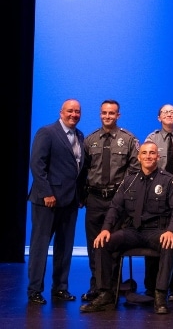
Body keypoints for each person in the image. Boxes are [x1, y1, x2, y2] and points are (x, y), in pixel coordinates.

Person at [80, 142, 173, 315]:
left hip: (156, 231)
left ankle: (160, 296)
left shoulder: (169, 180)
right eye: (144, 153)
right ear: (139, 157)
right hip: (132, 231)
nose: (148, 156)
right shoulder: (129, 180)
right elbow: (115, 207)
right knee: (102, 243)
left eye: (152, 153)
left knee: (169, 244)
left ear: (158, 157)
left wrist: (170, 230)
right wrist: (106, 229)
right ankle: (105, 294)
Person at [27, 99, 85, 305]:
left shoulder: (79, 136)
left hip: (70, 201)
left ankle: (60, 288)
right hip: (47, 201)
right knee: (40, 247)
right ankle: (34, 290)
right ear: (61, 112)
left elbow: (78, 169)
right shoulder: (47, 132)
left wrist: (80, 196)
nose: (74, 114)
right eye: (70, 111)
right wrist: (46, 193)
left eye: (77, 111)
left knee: (65, 247)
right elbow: (37, 164)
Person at [80, 100, 139, 302]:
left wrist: (123, 198)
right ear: (100, 114)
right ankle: (96, 286)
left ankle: (112, 288)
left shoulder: (128, 139)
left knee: (113, 245)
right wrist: (83, 197)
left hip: (117, 200)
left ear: (118, 115)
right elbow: (83, 171)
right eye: (104, 113)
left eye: (112, 113)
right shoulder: (90, 140)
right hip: (95, 199)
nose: (107, 116)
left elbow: (134, 172)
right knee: (94, 245)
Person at [143, 103, 173, 301]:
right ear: (159, 118)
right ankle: (151, 287)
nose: (169, 115)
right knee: (152, 241)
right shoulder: (151, 138)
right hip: (155, 197)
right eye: (165, 112)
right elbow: (146, 166)